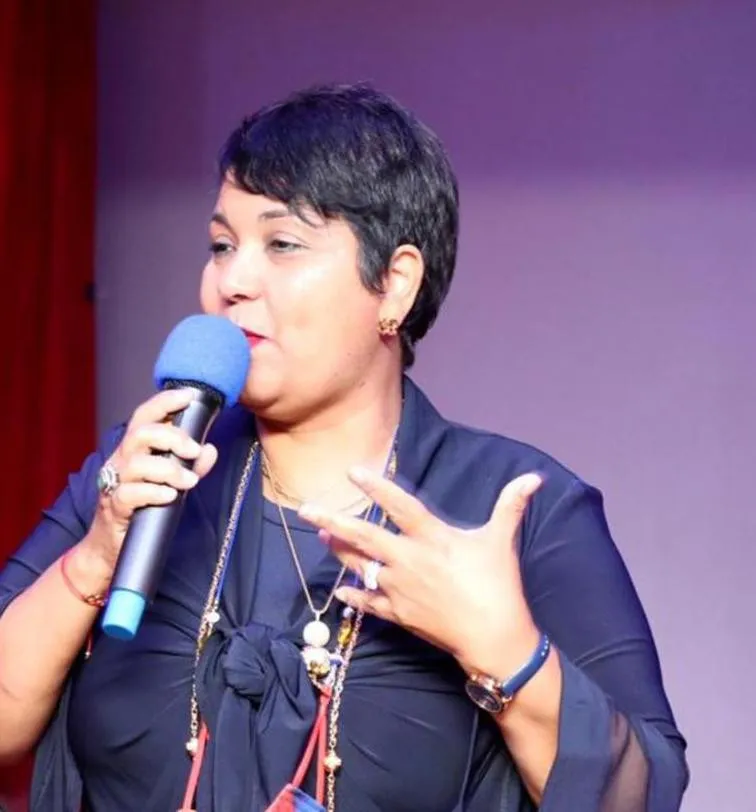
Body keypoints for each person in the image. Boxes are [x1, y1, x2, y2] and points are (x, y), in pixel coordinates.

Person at [0, 83, 688, 812]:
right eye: (222, 246)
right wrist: (95, 559)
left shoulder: (513, 510)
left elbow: (643, 796)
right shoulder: (145, 473)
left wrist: (508, 653)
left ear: (394, 285)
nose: (233, 281)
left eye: (282, 244)